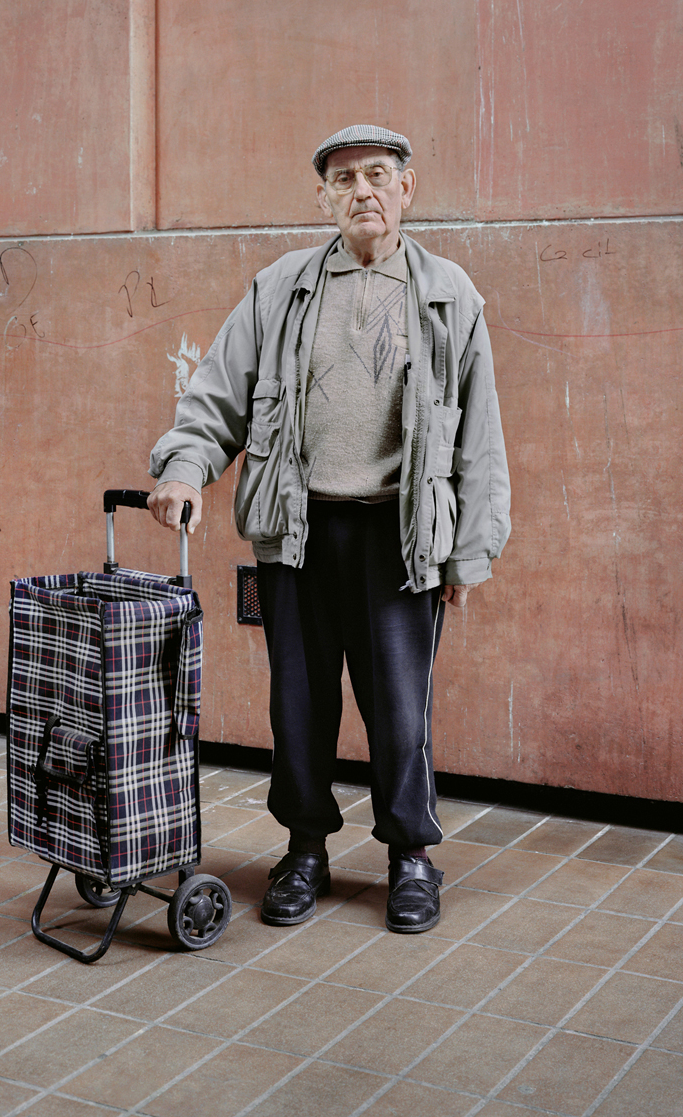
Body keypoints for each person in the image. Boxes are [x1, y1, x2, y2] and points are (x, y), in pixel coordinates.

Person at [148, 124, 510, 933]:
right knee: (299, 707)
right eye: (344, 180)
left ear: (407, 189)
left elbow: (480, 438)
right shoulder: (280, 288)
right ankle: (305, 849)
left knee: (401, 713)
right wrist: (185, 465)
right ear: (323, 198)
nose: (362, 192)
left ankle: (410, 855)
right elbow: (218, 391)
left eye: (377, 175)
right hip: (298, 528)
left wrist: (468, 554)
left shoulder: (449, 294)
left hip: (399, 535)